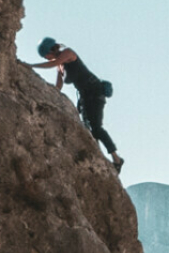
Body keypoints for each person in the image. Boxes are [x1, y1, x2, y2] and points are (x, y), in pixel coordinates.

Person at [28, 37, 121, 170]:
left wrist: (30, 66)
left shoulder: (68, 53)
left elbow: (52, 64)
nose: (46, 59)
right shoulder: (59, 65)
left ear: (49, 51)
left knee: (96, 128)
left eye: (45, 56)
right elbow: (58, 85)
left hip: (95, 92)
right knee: (88, 128)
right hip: (85, 96)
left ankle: (116, 160)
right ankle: (99, 156)